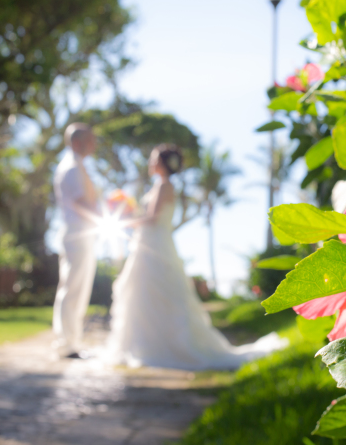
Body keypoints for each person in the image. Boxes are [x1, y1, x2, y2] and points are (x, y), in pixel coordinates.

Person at [107, 144, 287, 370]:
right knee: (145, 293)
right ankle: (144, 343)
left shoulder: (164, 185)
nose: (151, 163)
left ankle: (160, 346)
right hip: (149, 244)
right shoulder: (160, 185)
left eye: (154, 159)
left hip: (155, 244)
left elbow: (152, 218)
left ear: (163, 163)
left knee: (158, 293)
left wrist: (126, 220)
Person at [52, 123, 99, 359]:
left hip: (83, 234)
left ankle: (72, 341)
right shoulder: (70, 167)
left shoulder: (78, 166)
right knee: (72, 287)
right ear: (77, 142)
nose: (94, 144)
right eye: (90, 140)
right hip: (76, 234)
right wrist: (101, 217)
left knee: (79, 288)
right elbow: (81, 203)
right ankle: (65, 343)